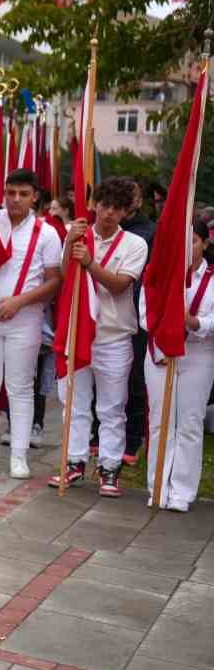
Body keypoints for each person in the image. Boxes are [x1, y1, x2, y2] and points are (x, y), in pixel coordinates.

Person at [0, 169, 63, 478]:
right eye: (10, 193)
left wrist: (20, 302)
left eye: (23, 194)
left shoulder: (47, 233)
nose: (15, 199)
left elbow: (55, 281)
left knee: (20, 387)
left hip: (25, 318)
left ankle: (19, 455)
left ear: (35, 197)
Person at [49, 177, 149, 497]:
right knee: (75, 403)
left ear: (126, 212)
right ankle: (74, 461)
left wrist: (89, 262)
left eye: (116, 208)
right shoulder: (78, 234)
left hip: (114, 337)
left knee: (111, 407)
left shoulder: (135, 244)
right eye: (104, 205)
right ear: (95, 204)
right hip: (78, 331)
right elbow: (65, 275)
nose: (107, 213)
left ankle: (108, 467)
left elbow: (120, 285)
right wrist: (70, 245)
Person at [144, 219, 214, 512]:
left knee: (190, 422)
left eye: (194, 242)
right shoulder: (159, 275)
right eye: (183, 242)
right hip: (161, 351)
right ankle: (157, 486)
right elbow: (144, 316)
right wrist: (166, 328)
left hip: (197, 354)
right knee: (161, 421)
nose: (188, 249)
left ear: (205, 243)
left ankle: (182, 491)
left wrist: (192, 322)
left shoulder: (211, 278)